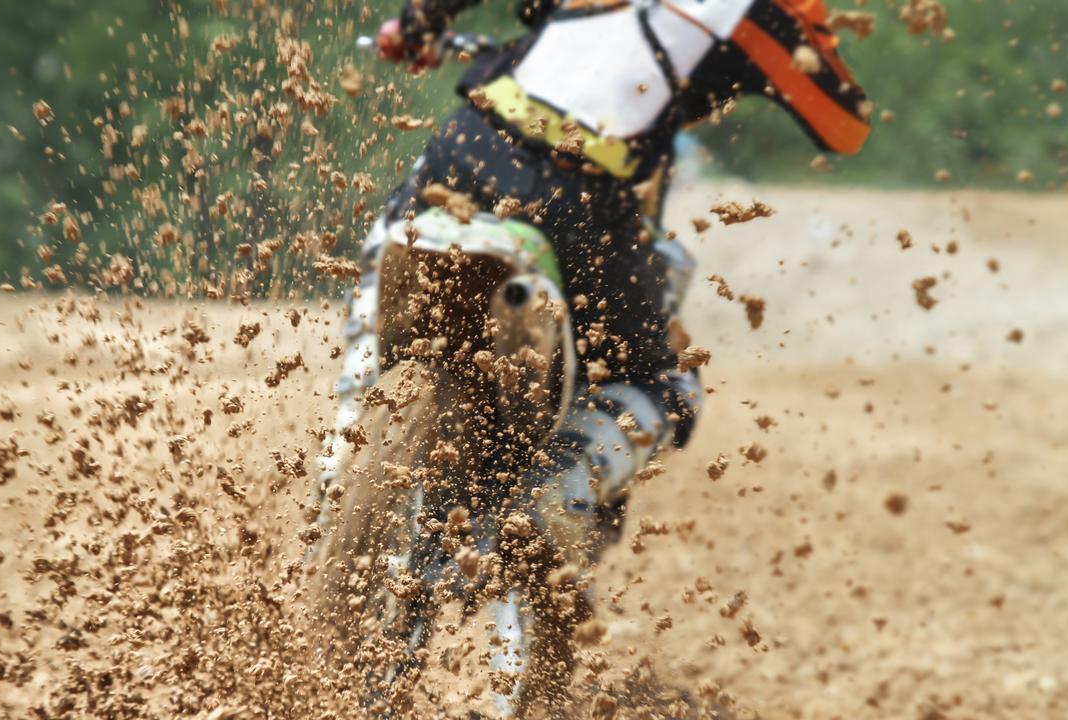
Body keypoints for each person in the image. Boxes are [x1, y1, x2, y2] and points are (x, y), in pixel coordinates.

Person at [320, 0, 869, 712]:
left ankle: (343, 441)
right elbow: (844, 125)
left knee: (397, 242)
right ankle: (550, 497)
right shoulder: (762, 11)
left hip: (465, 147)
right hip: (575, 197)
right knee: (665, 383)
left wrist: (416, 25)